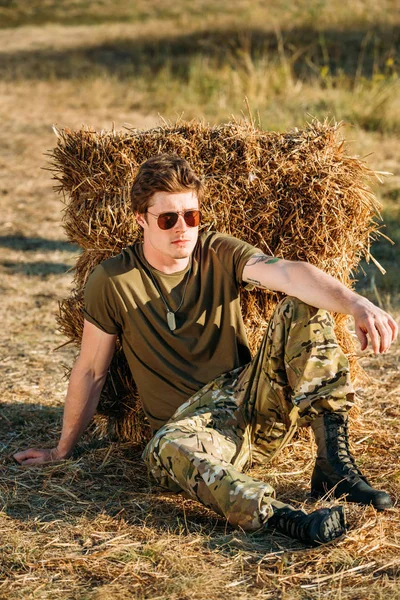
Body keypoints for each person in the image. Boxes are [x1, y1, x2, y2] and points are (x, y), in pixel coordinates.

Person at [14, 154, 398, 546]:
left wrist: (356, 303)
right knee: (164, 446)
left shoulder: (217, 251)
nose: (182, 228)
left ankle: (334, 465)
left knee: (302, 304)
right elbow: (91, 370)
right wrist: (62, 449)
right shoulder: (112, 280)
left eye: (191, 216)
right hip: (193, 433)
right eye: (168, 219)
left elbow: (287, 272)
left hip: (251, 405)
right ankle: (285, 518)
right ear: (140, 220)